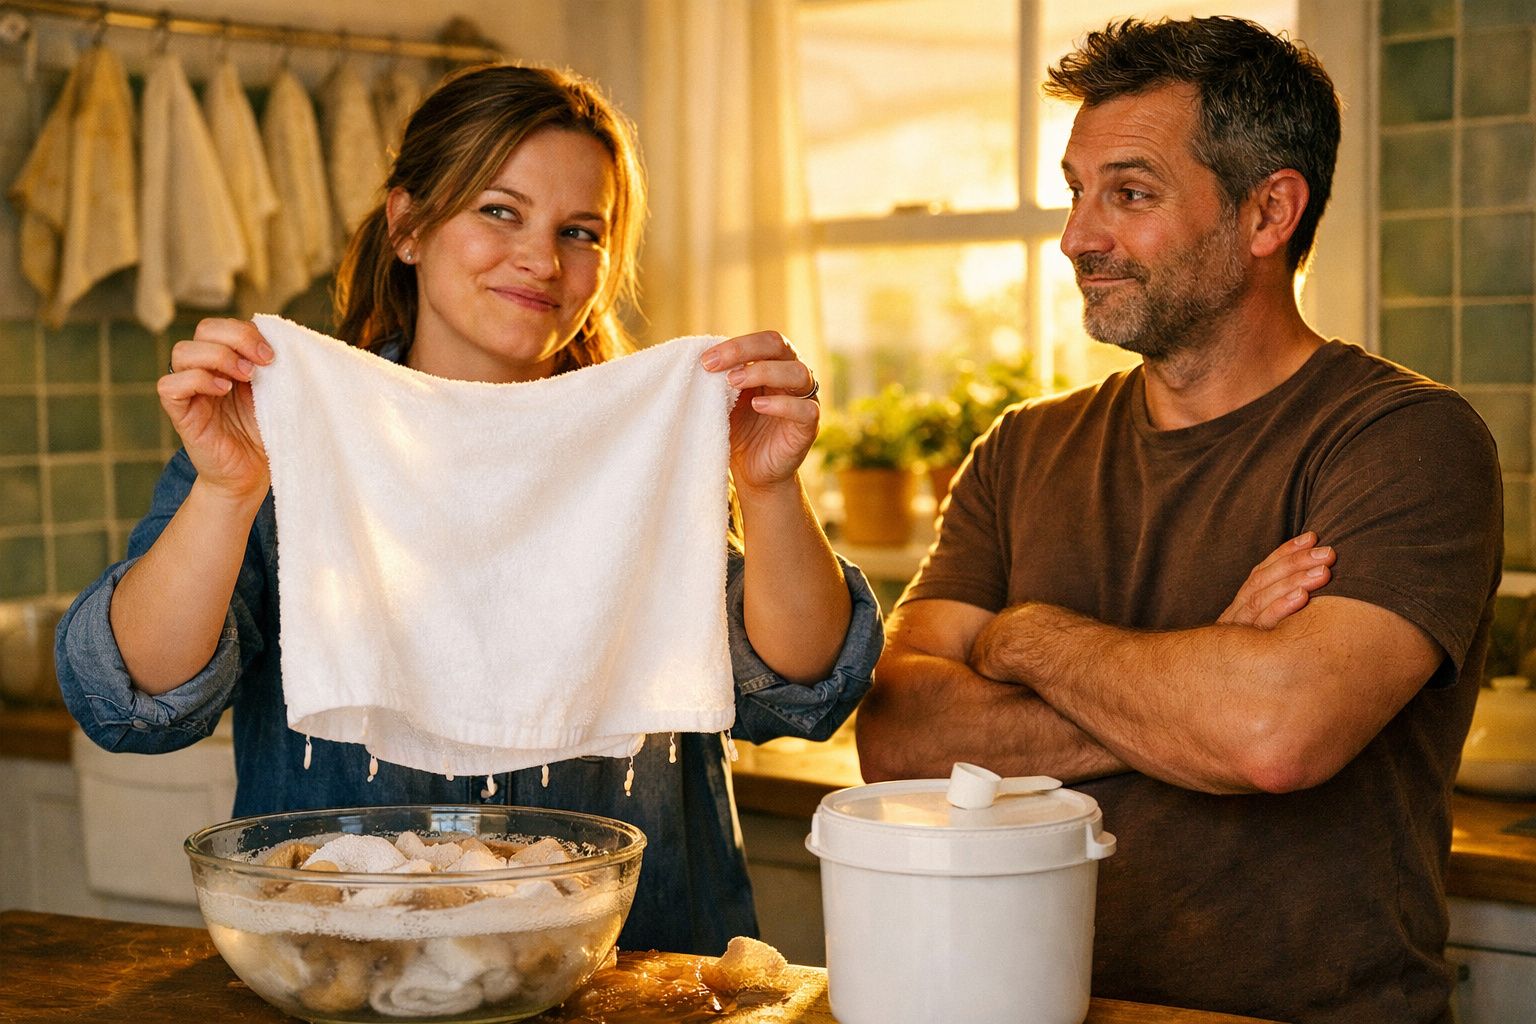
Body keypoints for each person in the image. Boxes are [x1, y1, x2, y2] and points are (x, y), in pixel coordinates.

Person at [55, 63, 882, 957]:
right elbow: (128, 698)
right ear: (408, 226)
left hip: (638, 980)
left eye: (581, 231)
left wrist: (767, 488)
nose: (542, 259)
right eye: (500, 210)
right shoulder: (289, 434)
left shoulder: (642, 445)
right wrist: (226, 489)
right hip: (352, 981)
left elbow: (799, 686)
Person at [856, 17, 1500, 1024]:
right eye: (1078, 191)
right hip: (1037, 1006)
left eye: (1130, 192)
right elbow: (896, 740)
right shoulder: (1022, 448)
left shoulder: (1405, 441)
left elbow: (1272, 736)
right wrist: (1197, 672)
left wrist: (1016, 636)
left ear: (1267, 212)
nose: (1077, 237)